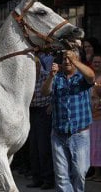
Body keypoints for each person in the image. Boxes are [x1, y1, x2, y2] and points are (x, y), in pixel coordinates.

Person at [41, 49, 94, 192]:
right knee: (61, 176)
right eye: (64, 58)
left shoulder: (81, 77)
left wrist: (75, 60)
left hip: (79, 134)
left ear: (77, 60)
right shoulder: (57, 78)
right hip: (59, 134)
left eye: (70, 58)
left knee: (79, 172)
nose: (66, 61)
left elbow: (91, 76)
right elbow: (44, 92)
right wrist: (51, 76)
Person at [26, 53, 55, 190]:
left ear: (39, 66)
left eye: (36, 66)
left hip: (44, 112)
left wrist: (52, 105)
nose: (34, 68)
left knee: (44, 148)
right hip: (32, 112)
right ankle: (36, 178)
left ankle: (48, 179)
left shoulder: (46, 76)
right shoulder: (28, 80)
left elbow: (55, 92)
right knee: (33, 149)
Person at [88, 53, 101, 182]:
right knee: (94, 146)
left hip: (100, 117)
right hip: (91, 117)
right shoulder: (90, 78)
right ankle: (96, 173)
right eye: (95, 62)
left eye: (99, 62)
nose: (96, 64)